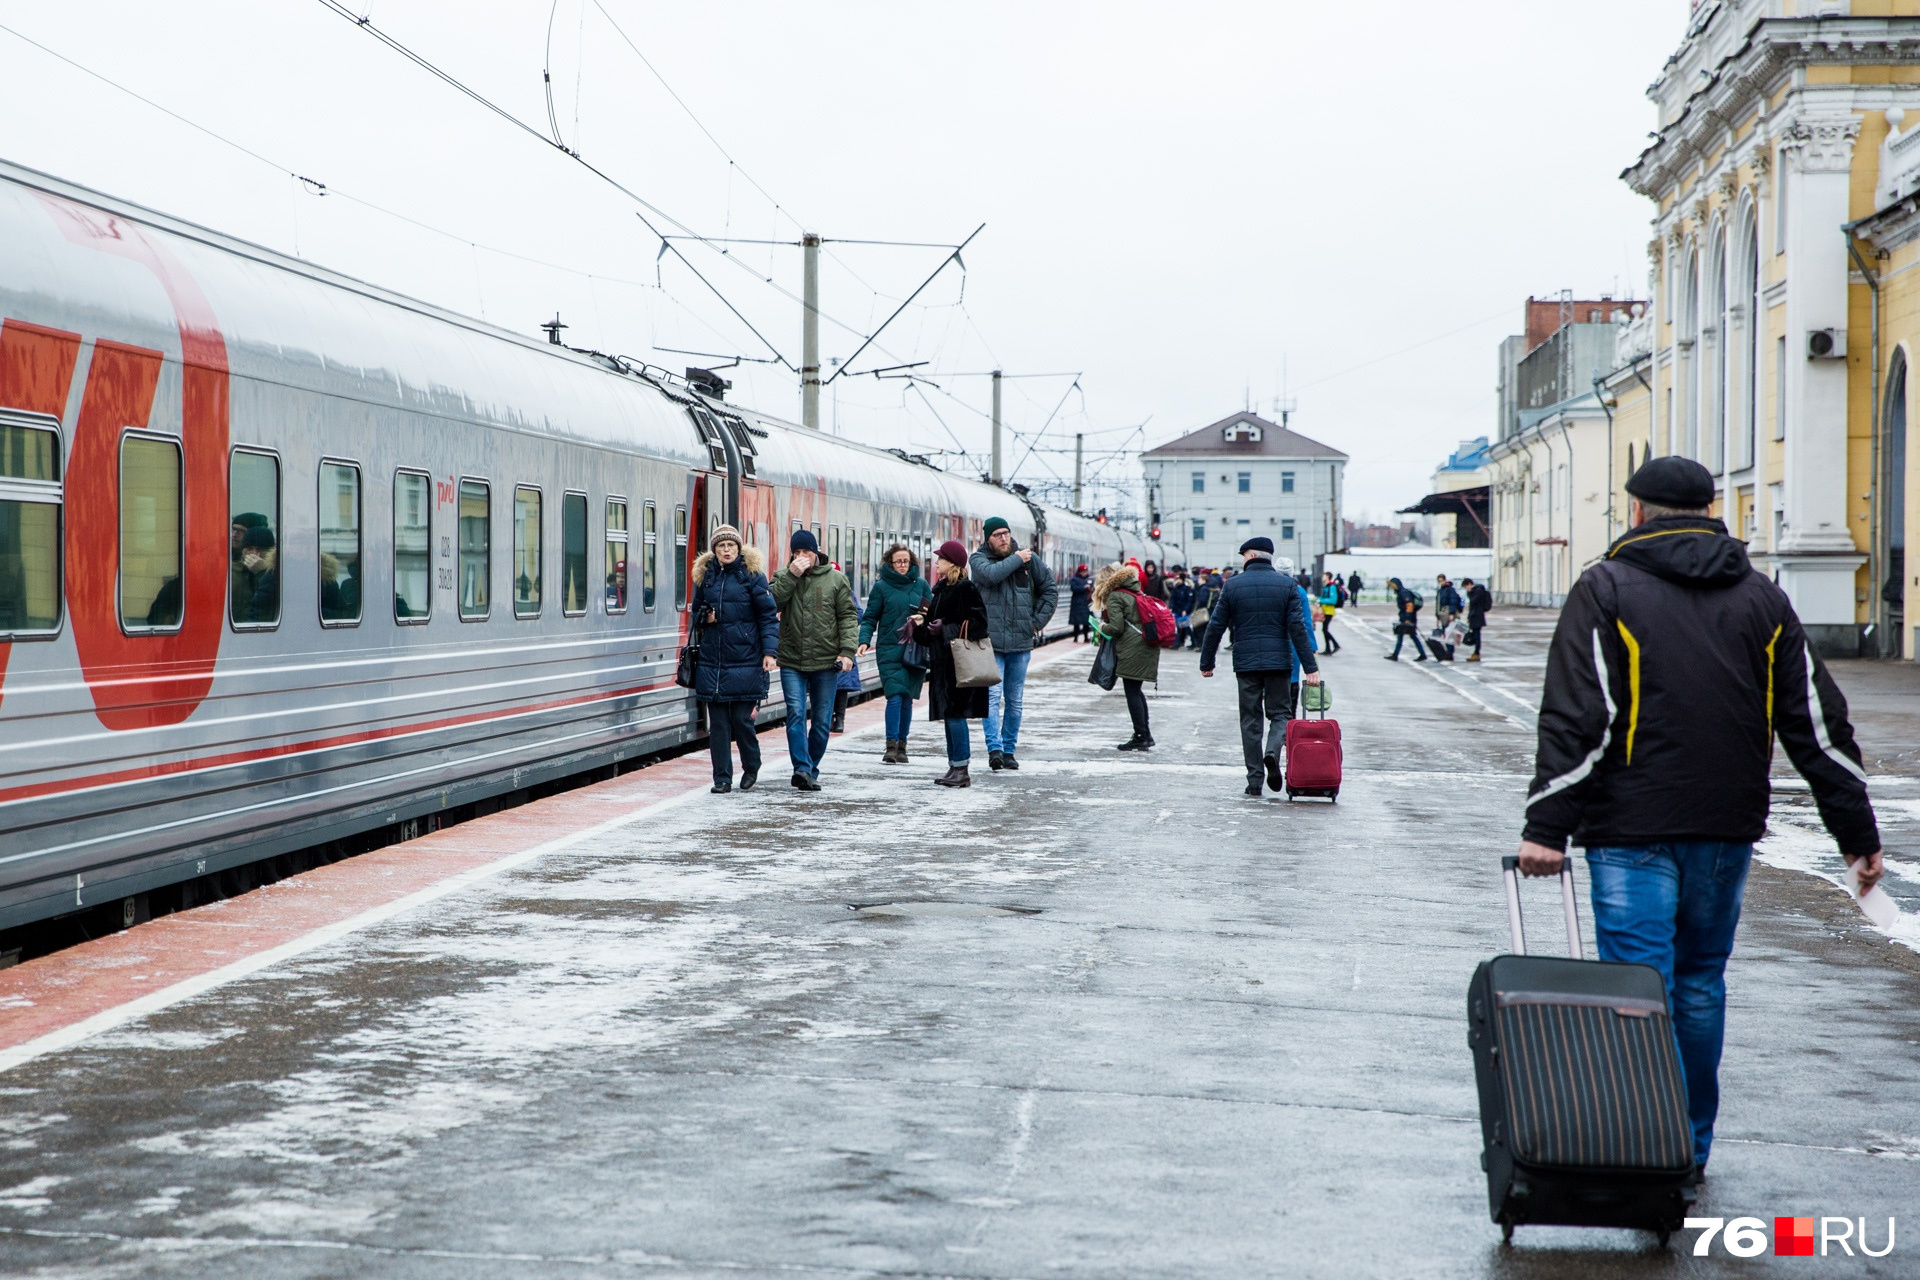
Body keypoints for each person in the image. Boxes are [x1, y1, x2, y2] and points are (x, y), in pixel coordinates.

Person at [1515, 456, 1884, 1177]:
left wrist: (1545, 826)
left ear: (1637, 511)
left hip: (1629, 826)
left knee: (1638, 985)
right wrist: (1858, 835)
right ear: (1713, 509)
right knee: (1699, 982)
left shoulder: (1605, 588)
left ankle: (1639, 1147)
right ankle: (1688, 1147)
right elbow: (1816, 723)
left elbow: (1579, 717)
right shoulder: (1761, 599)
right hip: (1725, 826)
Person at [1200, 537, 1322, 796]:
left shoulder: (1232, 585)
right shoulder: (1287, 585)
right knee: (1280, 714)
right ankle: (1272, 751)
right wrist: (1310, 667)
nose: (1242, 560)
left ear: (1252, 556)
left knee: (1250, 720)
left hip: (1246, 664)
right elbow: (1297, 629)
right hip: (1279, 662)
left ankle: (1255, 780)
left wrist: (1207, 662)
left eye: (1244, 556)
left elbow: (1215, 626)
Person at [689, 525, 779, 793]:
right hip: (713, 661)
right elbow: (695, 615)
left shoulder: (752, 576)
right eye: (721, 546)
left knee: (741, 720)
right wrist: (705, 617)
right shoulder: (706, 578)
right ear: (714, 551)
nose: (726, 550)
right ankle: (722, 778)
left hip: (746, 659)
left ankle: (751, 765)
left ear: (739, 549)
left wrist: (769, 652)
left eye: (730, 546)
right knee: (717, 725)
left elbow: (767, 616)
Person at [769, 529, 858, 791]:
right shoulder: (782, 576)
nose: (800, 557)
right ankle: (802, 768)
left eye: (805, 552)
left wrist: (847, 651)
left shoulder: (836, 579)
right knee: (795, 713)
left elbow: (848, 617)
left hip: (826, 661)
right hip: (792, 660)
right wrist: (791, 575)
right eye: (796, 552)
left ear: (816, 552)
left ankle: (811, 768)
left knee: (821, 721)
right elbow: (771, 603)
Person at [970, 516, 1058, 771]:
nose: (1004, 538)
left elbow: (1050, 589)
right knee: (991, 697)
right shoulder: (979, 560)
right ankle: (994, 749)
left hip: (1020, 641)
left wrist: (1035, 623)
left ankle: (1009, 750)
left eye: (1006, 533)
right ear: (988, 538)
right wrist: (1018, 559)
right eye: (998, 534)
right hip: (991, 642)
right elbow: (990, 576)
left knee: (1015, 700)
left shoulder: (1030, 562)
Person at [916, 539, 991, 787]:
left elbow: (979, 625)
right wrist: (918, 628)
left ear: (953, 563)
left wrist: (946, 629)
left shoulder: (966, 589)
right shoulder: (941, 590)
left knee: (955, 715)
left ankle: (962, 769)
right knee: (949, 716)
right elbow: (932, 630)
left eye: (941, 559)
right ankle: (954, 767)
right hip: (943, 663)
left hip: (959, 664)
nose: (937, 562)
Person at [858, 543, 933, 764]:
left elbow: (933, 613)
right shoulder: (881, 587)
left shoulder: (921, 585)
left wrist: (923, 618)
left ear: (912, 563)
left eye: (906, 561)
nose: (902, 565)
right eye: (898, 561)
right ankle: (891, 746)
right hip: (889, 649)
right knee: (895, 696)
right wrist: (863, 641)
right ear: (890, 563)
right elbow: (870, 617)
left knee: (907, 699)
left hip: (915, 649)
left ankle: (903, 746)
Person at [1093, 563, 1159, 750]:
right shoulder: (1134, 590)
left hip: (1133, 648)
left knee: (1132, 692)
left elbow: (1117, 627)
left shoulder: (1115, 596)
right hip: (1144, 646)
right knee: (1136, 691)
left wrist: (1100, 627)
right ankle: (1144, 734)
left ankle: (1141, 735)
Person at [1384, 576, 1427, 662]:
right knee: (1412, 636)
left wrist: (1407, 618)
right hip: (1409, 617)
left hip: (1408, 618)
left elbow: (1409, 605)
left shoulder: (1403, 593)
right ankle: (1422, 654)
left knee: (1402, 636)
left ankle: (1396, 655)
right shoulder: (1402, 592)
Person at [1462, 576, 1492, 662]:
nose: (1466, 589)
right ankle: (1475, 653)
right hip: (1473, 616)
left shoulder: (1478, 591)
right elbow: (1471, 606)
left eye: (1466, 587)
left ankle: (1476, 653)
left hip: (1478, 616)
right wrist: (1468, 617)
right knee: (1475, 635)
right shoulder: (1473, 592)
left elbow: (1474, 602)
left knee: (1477, 636)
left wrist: (1470, 593)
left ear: (1469, 584)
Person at [1434, 574, 1464, 660]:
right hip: (1442, 614)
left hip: (1447, 614)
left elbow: (1453, 601)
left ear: (1444, 580)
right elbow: (1438, 604)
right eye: (1439, 581)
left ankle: (1450, 652)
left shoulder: (1449, 590)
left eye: (1441, 581)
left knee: (1449, 633)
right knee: (1446, 633)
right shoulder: (1441, 591)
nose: (1440, 583)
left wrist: (1452, 613)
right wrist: (1437, 616)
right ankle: (1448, 651)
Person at [1168, 566, 1196, 650]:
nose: (1178, 581)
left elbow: (1189, 601)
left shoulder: (1187, 589)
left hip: (1183, 611)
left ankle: (1193, 642)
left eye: (1179, 579)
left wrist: (1186, 610)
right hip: (1177, 610)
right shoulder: (1176, 589)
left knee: (1187, 627)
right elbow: (1172, 599)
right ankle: (1176, 643)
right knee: (1177, 627)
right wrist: (1171, 607)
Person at [1067, 563, 1094, 642]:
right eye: (1082, 572)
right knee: (1077, 622)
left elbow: (1093, 588)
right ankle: (1076, 637)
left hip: (1086, 603)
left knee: (1086, 622)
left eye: (1085, 571)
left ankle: (1086, 637)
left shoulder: (1089, 579)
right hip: (1077, 603)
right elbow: (1073, 588)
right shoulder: (1074, 579)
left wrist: (1091, 589)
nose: (1084, 573)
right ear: (1079, 572)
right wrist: (1083, 587)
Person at [1317, 571, 1342, 654]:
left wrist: (1321, 600)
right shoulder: (1326, 586)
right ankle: (1328, 649)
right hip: (1325, 611)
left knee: (1324, 629)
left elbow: (1333, 600)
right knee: (1324, 629)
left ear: (1327, 576)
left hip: (1329, 611)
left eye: (1323, 576)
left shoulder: (1332, 587)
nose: (1322, 577)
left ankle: (1335, 645)